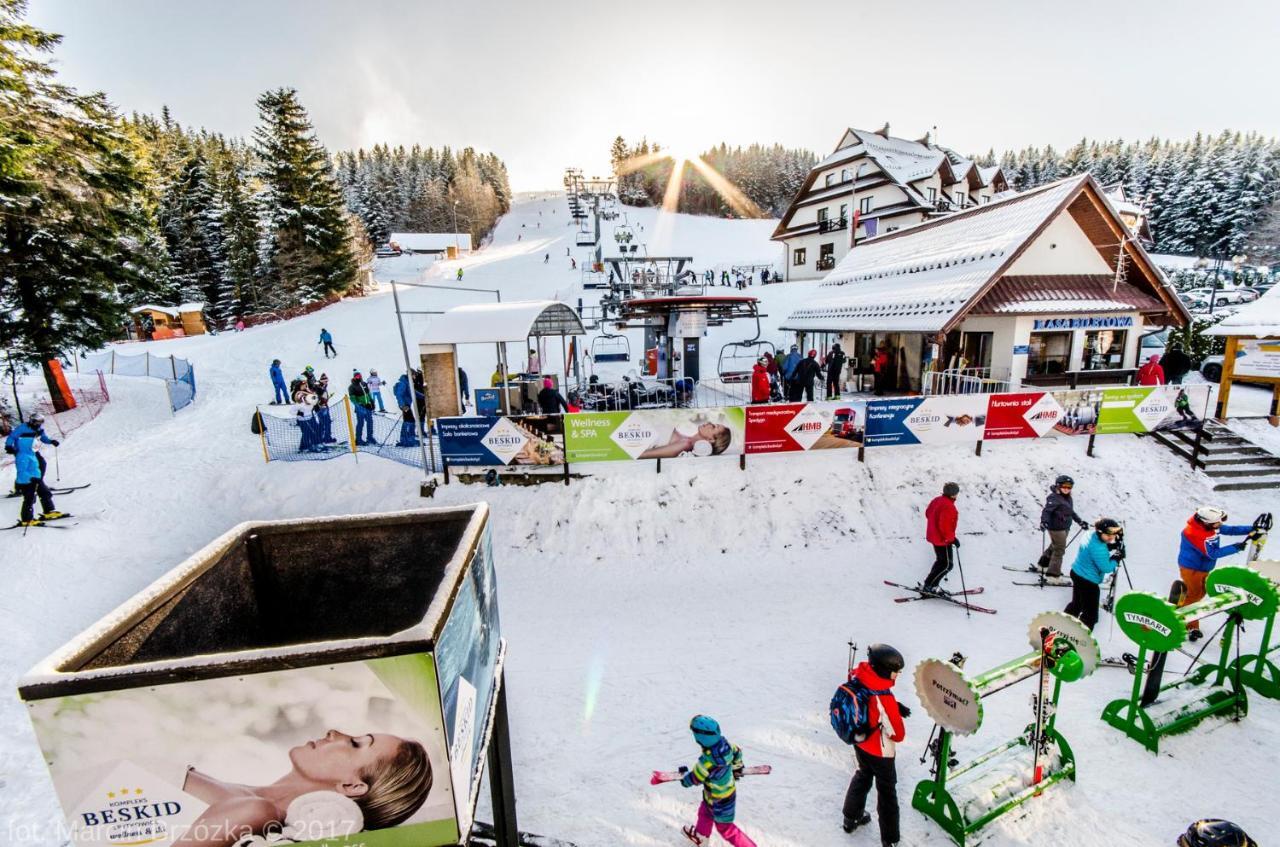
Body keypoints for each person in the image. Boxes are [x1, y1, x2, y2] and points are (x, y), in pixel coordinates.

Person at [175, 729, 431, 846]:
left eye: (355, 743)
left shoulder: (254, 811)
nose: (335, 732)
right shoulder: (245, 797)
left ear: (351, 786)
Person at [842, 643, 907, 847]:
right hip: (880, 752)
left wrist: (894, 707)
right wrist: (893, 711)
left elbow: (867, 703)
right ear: (884, 671)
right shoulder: (883, 697)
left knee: (862, 775)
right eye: (895, 673)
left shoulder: (858, 676)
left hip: (859, 741)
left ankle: (850, 818)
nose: (897, 677)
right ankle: (890, 840)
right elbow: (898, 735)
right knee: (887, 792)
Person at [1177, 507, 1258, 640]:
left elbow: (1229, 530)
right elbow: (1213, 553)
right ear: (1206, 523)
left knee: (1197, 593)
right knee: (1195, 596)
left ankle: (1182, 608)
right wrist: (1235, 547)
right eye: (1217, 523)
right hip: (1192, 569)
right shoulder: (1195, 533)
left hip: (1202, 567)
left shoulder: (1207, 526)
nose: (1220, 525)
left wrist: (1251, 528)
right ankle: (1187, 623)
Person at [678, 716, 758, 847]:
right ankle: (701, 838)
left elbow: (695, 778)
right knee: (705, 813)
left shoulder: (706, 762)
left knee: (726, 829)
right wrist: (737, 766)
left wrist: (685, 780)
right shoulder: (726, 747)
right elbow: (737, 752)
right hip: (725, 793)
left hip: (719, 802)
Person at [1064, 518, 1124, 630]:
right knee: (1090, 615)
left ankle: (1064, 627)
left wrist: (1111, 546)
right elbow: (1106, 567)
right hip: (1088, 581)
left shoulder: (1089, 534)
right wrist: (1116, 558)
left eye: (1114, 535)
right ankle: (1082, 639)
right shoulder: (1098, 548)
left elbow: (1095, 547)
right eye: (1109, 535)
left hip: (1077, 573)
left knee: (1077, 604)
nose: (1112, 538)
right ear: (1100, 532)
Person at [5, 413, 62, 526]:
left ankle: (49, 510)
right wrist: (9, 446)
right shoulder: (22, 429)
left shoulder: (39, 431)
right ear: (31, 421)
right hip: (24, 459)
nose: (38, 425)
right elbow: (11, 437)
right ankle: (26, 517)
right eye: (36, 422)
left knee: (44, 490)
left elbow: (43, 438)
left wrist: (51, 441)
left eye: (40, 422)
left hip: (31, 455)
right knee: (30, 495)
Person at [1038, 474, 1090, 578]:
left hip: (1065, 527)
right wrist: (1044, 521)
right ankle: (1053, 574)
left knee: (1054, 545)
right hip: (1056, 528)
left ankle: (1043, 564)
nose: (1066, 489)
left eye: (1069, 487)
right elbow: (1047, 511)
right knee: (1059, 550)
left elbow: (1070, 512)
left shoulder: (1067, 498)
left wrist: (1080, 521)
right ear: (1058, 485)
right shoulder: (1054, 497)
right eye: (1064, 486)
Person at [919, 482, 961, 591]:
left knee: (941, 562)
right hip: (943, 540)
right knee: (947, 565)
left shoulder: (937, 500)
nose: (957, 494)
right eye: (957, 492)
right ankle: (930, 586)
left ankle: (929, 584)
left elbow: (928, 513)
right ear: (953, 494)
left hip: (934, 537)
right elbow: (945, 526)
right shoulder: (949, 506)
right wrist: (952, 539)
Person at [349, 372, 375, 446]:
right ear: (354, 377)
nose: (359, 377)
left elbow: (368, 394)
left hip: (367, 407)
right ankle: (358, 439)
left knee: (370, 422)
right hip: (360, 408)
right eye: (357, 376)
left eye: (359, 376)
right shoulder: (352, 387)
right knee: (361, 423)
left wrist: (372, 402)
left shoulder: (364, 384)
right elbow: (353, 398)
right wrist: (360, 405)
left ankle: (370, 437)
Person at [393, 374, 418, 447]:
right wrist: (402, 405)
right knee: (410, 421)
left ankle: (407, 439)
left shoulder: (408, 383)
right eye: (414, 375)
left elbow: (413, 393)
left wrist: (423, 396)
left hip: (407, 405)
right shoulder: (403, 383)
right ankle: (407, 440)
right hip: (405, 406)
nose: (415, 377)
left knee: (409, 421)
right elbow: (398, 394)